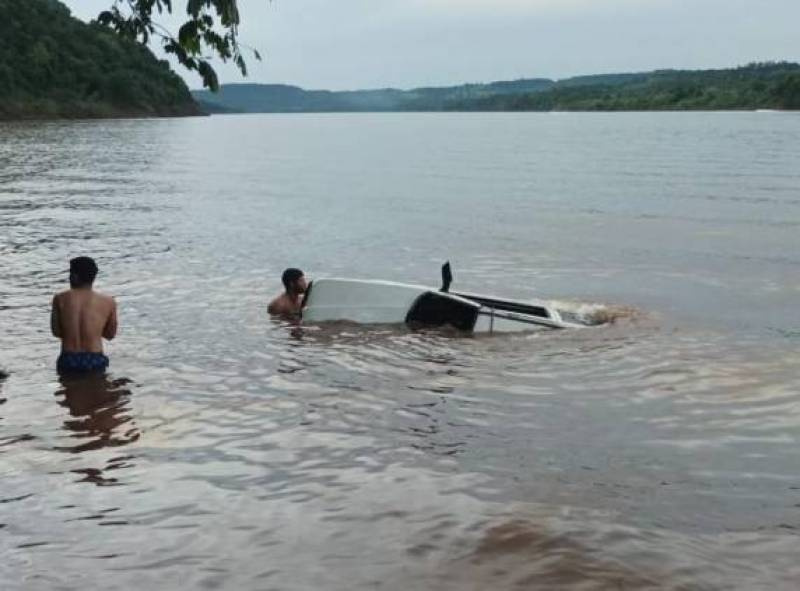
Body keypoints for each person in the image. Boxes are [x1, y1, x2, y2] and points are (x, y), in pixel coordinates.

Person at [51, 256, 118, 374]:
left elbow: (56, 332)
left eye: (70, 273)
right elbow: (110, 335)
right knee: (97, 391)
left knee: (70, 391)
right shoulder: (108, 302)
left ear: (74, 276)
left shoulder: (60, 299)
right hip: (94, 358)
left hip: (68, 358)